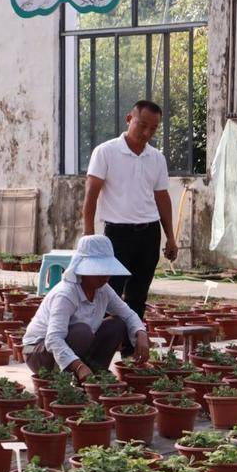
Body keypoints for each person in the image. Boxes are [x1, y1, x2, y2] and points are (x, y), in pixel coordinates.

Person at [83, 100, 178, 319]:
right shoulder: (105, 152)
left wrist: (170, 237)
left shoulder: (157, 158)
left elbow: (162, 198)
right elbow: (91, 195)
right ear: (129, 119)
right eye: (142, 125)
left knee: (138, 294)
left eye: (153, 128)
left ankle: (132, 339)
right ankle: (105, 338)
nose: (146, 133)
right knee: (109, 292)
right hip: (117, 235)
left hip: (149, 234)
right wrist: (88, 236)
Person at [22, 235, 150, 383]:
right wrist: (78, 366)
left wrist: (141, 333)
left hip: (70, 344)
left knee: (118, 324)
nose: (105, 276)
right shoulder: (66, 294)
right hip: (36, 351)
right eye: (99, 270)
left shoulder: (103, 290)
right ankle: (64, 376)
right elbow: (53, 339)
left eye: (107, 269)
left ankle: (95, 372)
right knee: (82, 332)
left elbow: (128, 314)